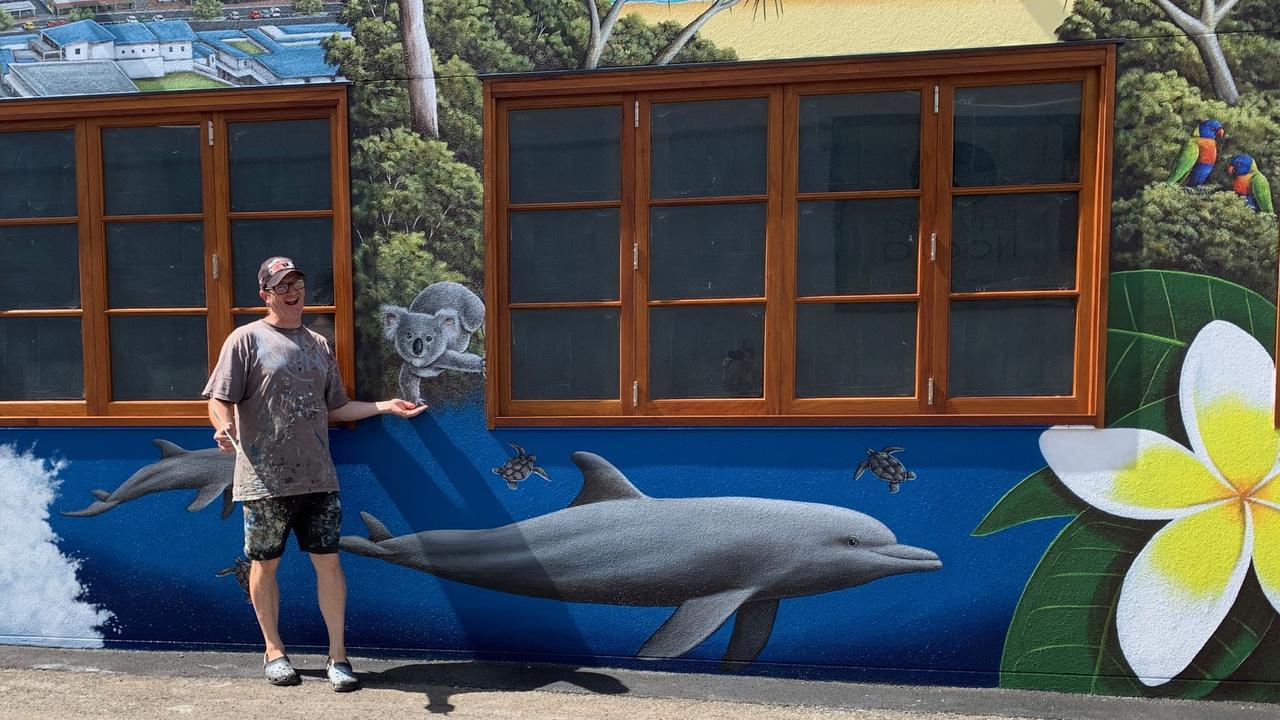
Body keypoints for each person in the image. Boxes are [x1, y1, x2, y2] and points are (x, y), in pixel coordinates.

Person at [203, 256, 425, 691]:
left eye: (298, 283)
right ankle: (274, 652)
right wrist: (221, 425)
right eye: (283, 285)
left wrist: (384, 406)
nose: (293, 291)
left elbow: (337, 408)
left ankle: (338, 657)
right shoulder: (245, 339)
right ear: (266, 293)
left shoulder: (320, 345)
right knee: (264, 566)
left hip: (319, 479)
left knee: (330, 564)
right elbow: (219, 397)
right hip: (264, 480)